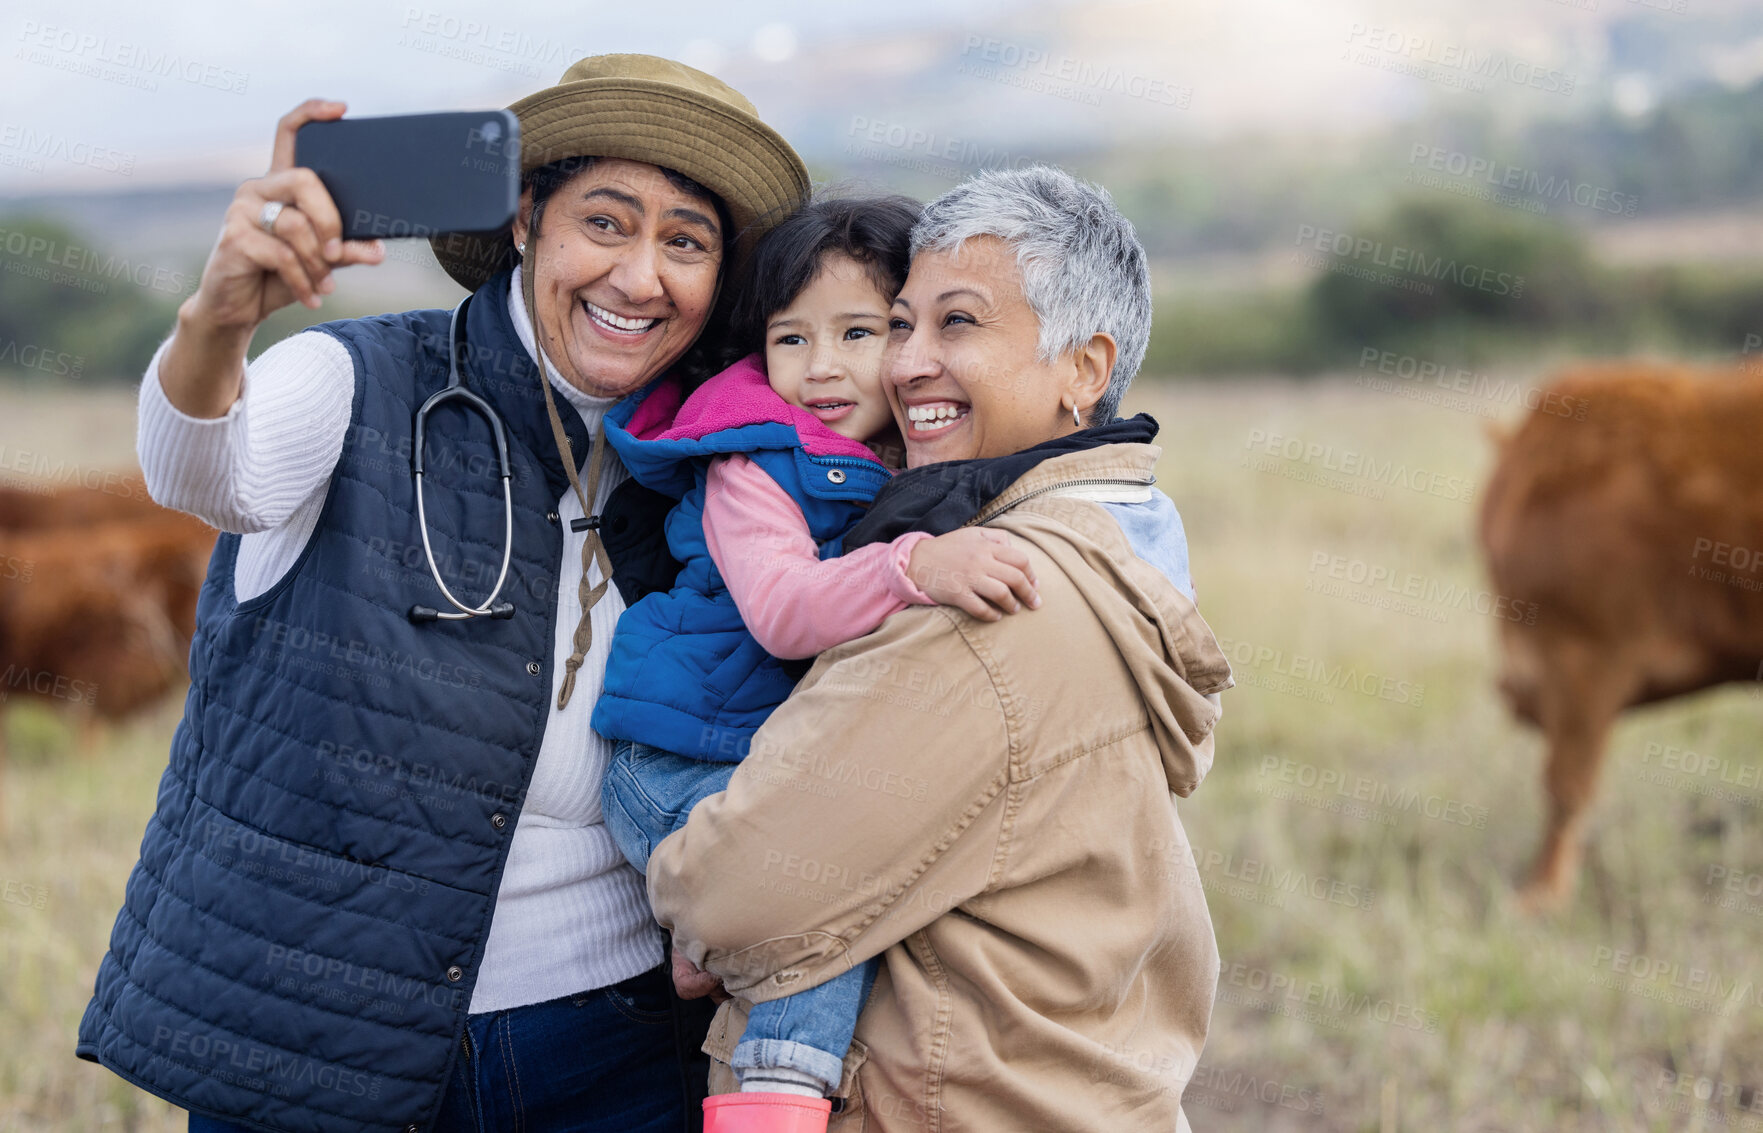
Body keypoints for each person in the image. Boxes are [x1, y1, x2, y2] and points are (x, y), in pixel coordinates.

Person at [76, 55, 809, 1133]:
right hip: (319, 1042)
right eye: (604, 223)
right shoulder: (354, 375)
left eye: (685, 242)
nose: (640, 276)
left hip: (612, 1047)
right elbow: (203, 470)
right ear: (526, 220)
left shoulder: (719, 460)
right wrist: (220, 316)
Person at [645, 166, 1236, 1131]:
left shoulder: (990, 597)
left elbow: (738, 889)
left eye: (956, 324)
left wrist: (676, 884)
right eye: (903, 322)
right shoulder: (1118, 542)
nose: (905, 363)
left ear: (1084, 369)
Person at [588, 194, 1043, 1133]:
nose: (822, 367)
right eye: (790, 340)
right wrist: (913, 563)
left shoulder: (896, 451)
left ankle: (709, 941)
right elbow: (787, 610)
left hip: (751, 763)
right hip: (678, 762)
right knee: (823, 910)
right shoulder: (753, 464)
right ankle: (776, 1102)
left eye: (858, 332)